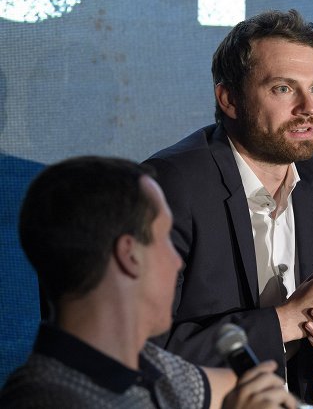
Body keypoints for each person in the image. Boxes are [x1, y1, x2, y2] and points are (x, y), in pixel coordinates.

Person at [143, 9, 313, 407]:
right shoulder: (171, 185)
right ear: (229, 99)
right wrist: (285, 320)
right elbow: (141, 352)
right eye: (283, 89)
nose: (308, 107)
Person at [0, 156, 298, 409]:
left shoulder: (147, 363)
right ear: (129, 255)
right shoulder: (48, 398)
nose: (177, 260)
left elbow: (239, 388)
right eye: (164, 239)